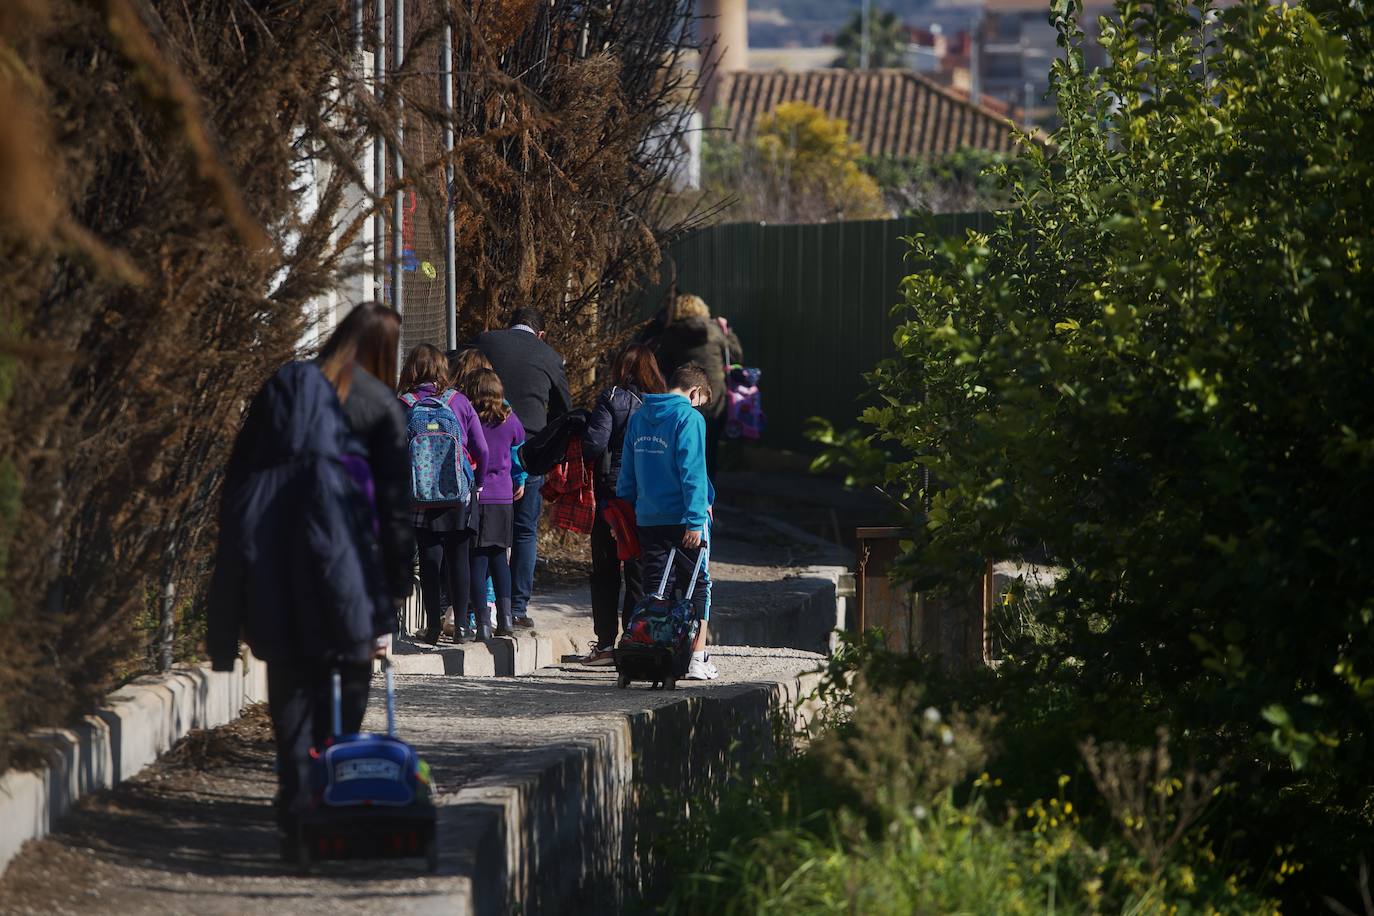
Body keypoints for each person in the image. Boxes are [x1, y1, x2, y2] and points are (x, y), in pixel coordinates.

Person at [207, 304, 406, 849]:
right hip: (348, 573)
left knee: (291, 687)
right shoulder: (379, 406)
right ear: (383, 352)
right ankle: (331, 794)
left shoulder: (284, 388)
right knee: (345, 694)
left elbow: (236, 486)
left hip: (272, 564)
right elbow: (392, 512)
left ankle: (297, 802)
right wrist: (393, 593)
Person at [616, 363, 719, 681]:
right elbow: (693, 470)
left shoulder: (639, 416)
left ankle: (652, 653)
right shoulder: (689, 417)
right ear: (696, 392)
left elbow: (627, 472)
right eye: (701, 401)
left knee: (655, 588)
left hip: (647, 516)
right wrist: (694, 518)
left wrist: (629, 509)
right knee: (697, 585)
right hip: (683, 516)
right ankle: (697, 656)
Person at [477, 307, 572, 628]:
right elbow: (564, 410)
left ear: (509, 325)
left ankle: (483, 603)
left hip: (484, 446)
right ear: (540, 333)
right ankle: (517, 606)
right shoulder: (550, 356)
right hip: (528, 449)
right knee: (524, 530)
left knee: (482, 531)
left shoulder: (485, 342)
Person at [578, 343, 666, 665]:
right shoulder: (664, 405)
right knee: (639, 571)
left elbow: (594, 444)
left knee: (605, 570)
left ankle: (604, 645)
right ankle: (634, 640)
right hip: (650, 497)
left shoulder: (613, 398)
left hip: (612, 496)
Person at [398, 343, 489, 645]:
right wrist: (477, 481)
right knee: (458, 558)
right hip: (458, 493)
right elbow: (482, 448)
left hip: (419, 494)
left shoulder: (404, 403)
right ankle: (461, 626)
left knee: (429, 559)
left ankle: (434, 627)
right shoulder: (458, 401)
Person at [652, 294, 742, 482]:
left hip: (684, 398)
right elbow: (736, 356)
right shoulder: (715, 330)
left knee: (684, 445)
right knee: (710, 448)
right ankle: (707, 493)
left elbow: (663, 367)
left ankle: (685, 489)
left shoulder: (671, 333)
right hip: (715, 399)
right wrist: (728, 332)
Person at [467, 368, 527, 638]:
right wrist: (521, 480)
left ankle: (482, 623)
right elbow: (518, 454)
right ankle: (506, 619)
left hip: (478, 497)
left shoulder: (471, 419)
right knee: (500, 560)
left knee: (477, 561)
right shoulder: (511, 419)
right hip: (504, 497)